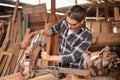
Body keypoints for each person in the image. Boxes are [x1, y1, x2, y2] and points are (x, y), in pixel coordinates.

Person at [21, 5, 92, 69]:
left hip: (73, 69)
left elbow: (73, 57)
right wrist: (38, 32)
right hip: (60, 65)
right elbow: (52, 30)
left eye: (73, 24)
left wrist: (50, 57)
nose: (69, 26)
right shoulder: (64, 21)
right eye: (68, 23)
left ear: (82, 22)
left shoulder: (86, 36)